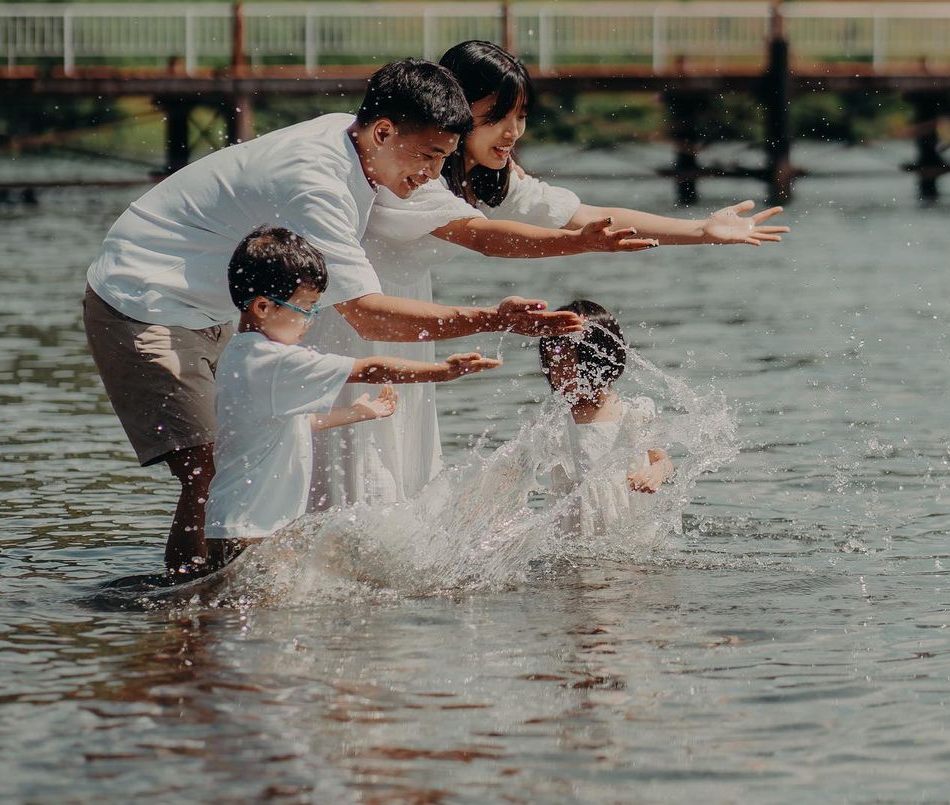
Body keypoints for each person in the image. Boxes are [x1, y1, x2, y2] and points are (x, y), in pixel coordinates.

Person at [84, 57, 628, 576]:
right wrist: (493, 318)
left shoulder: (362, 143)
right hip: (145, 300)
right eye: (429, 157)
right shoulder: (316, 185)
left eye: (444, 158)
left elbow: (471, 231)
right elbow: (369, 317)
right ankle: (194, 616)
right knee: (209, 472)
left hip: (215, 308)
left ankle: (212, 605)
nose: (434, 175)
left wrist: (575, 239)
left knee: (254, 452)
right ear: (385, 131)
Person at [307, 41, 787, 510]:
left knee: (400, 476)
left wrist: (700, 229)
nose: (513, 131)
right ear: (454, 107)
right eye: (496, 115)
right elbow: (485, 237)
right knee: (358, 470)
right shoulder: (415, 172)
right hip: (356, 315)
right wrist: (579, 245)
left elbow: (586, 213)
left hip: (411, 319)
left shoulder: (488, 176)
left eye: (520, 115)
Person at [203, 227, 499, 571]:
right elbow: (371, 369)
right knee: (258, 617)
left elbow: (290, 425)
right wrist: (441, 371)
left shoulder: (242, 355)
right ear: (263, 307)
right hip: (252, 531)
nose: (310, 322)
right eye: (307, 309)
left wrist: (355, 412)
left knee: (245, 615)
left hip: (244, 524)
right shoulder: (273, 360)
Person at [538, 299, 672, 539]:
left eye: (568, 362)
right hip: (570, 536)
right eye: (552, 362)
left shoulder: (633, 413)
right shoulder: (554, 421)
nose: (559, 375)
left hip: (629, 532)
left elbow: (663, 460)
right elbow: (516, 469)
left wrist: (656, 473)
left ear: (600, 360)